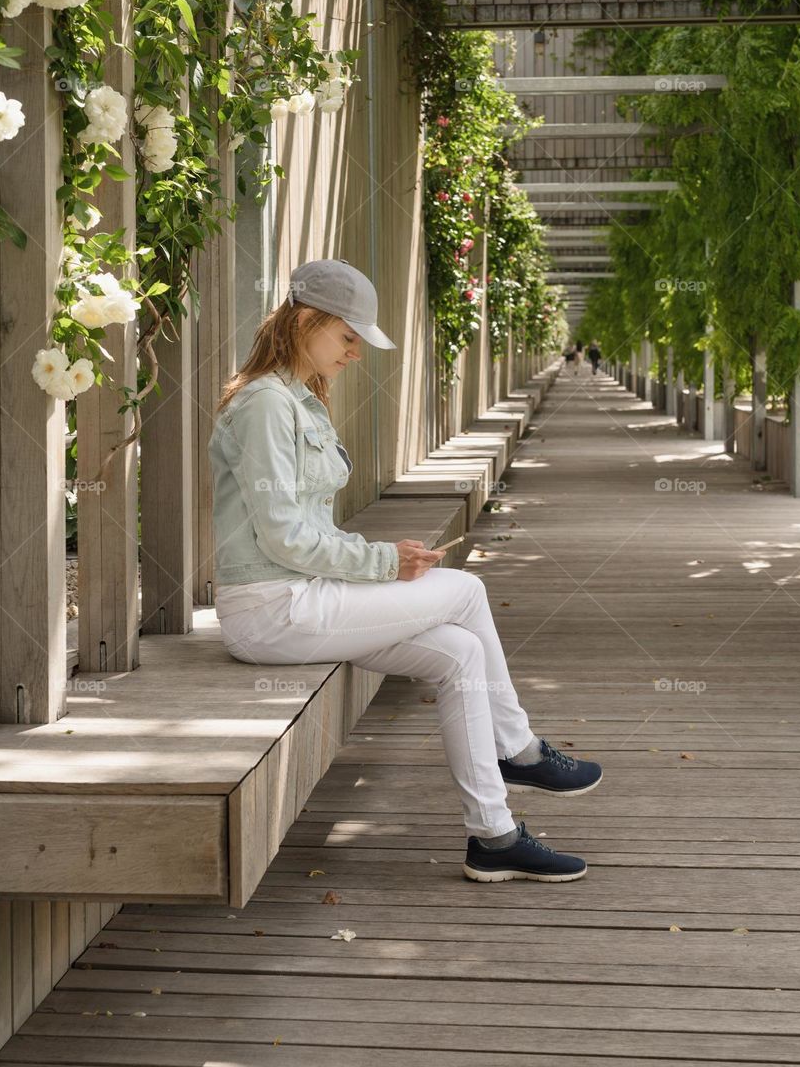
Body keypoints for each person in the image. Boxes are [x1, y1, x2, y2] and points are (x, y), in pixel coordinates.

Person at [208, 258, 602, 884]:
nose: (355, 353)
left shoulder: (298, 401)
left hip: (306, 595)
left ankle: (493, 836)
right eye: (347, 336)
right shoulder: (262, 406)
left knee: (458, 654)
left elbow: (310, 528)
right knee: (467, 590)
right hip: (272, 608)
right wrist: (382, 561)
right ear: (307, 320)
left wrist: (382, 560)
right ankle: (520, 750)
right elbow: (282, 536)